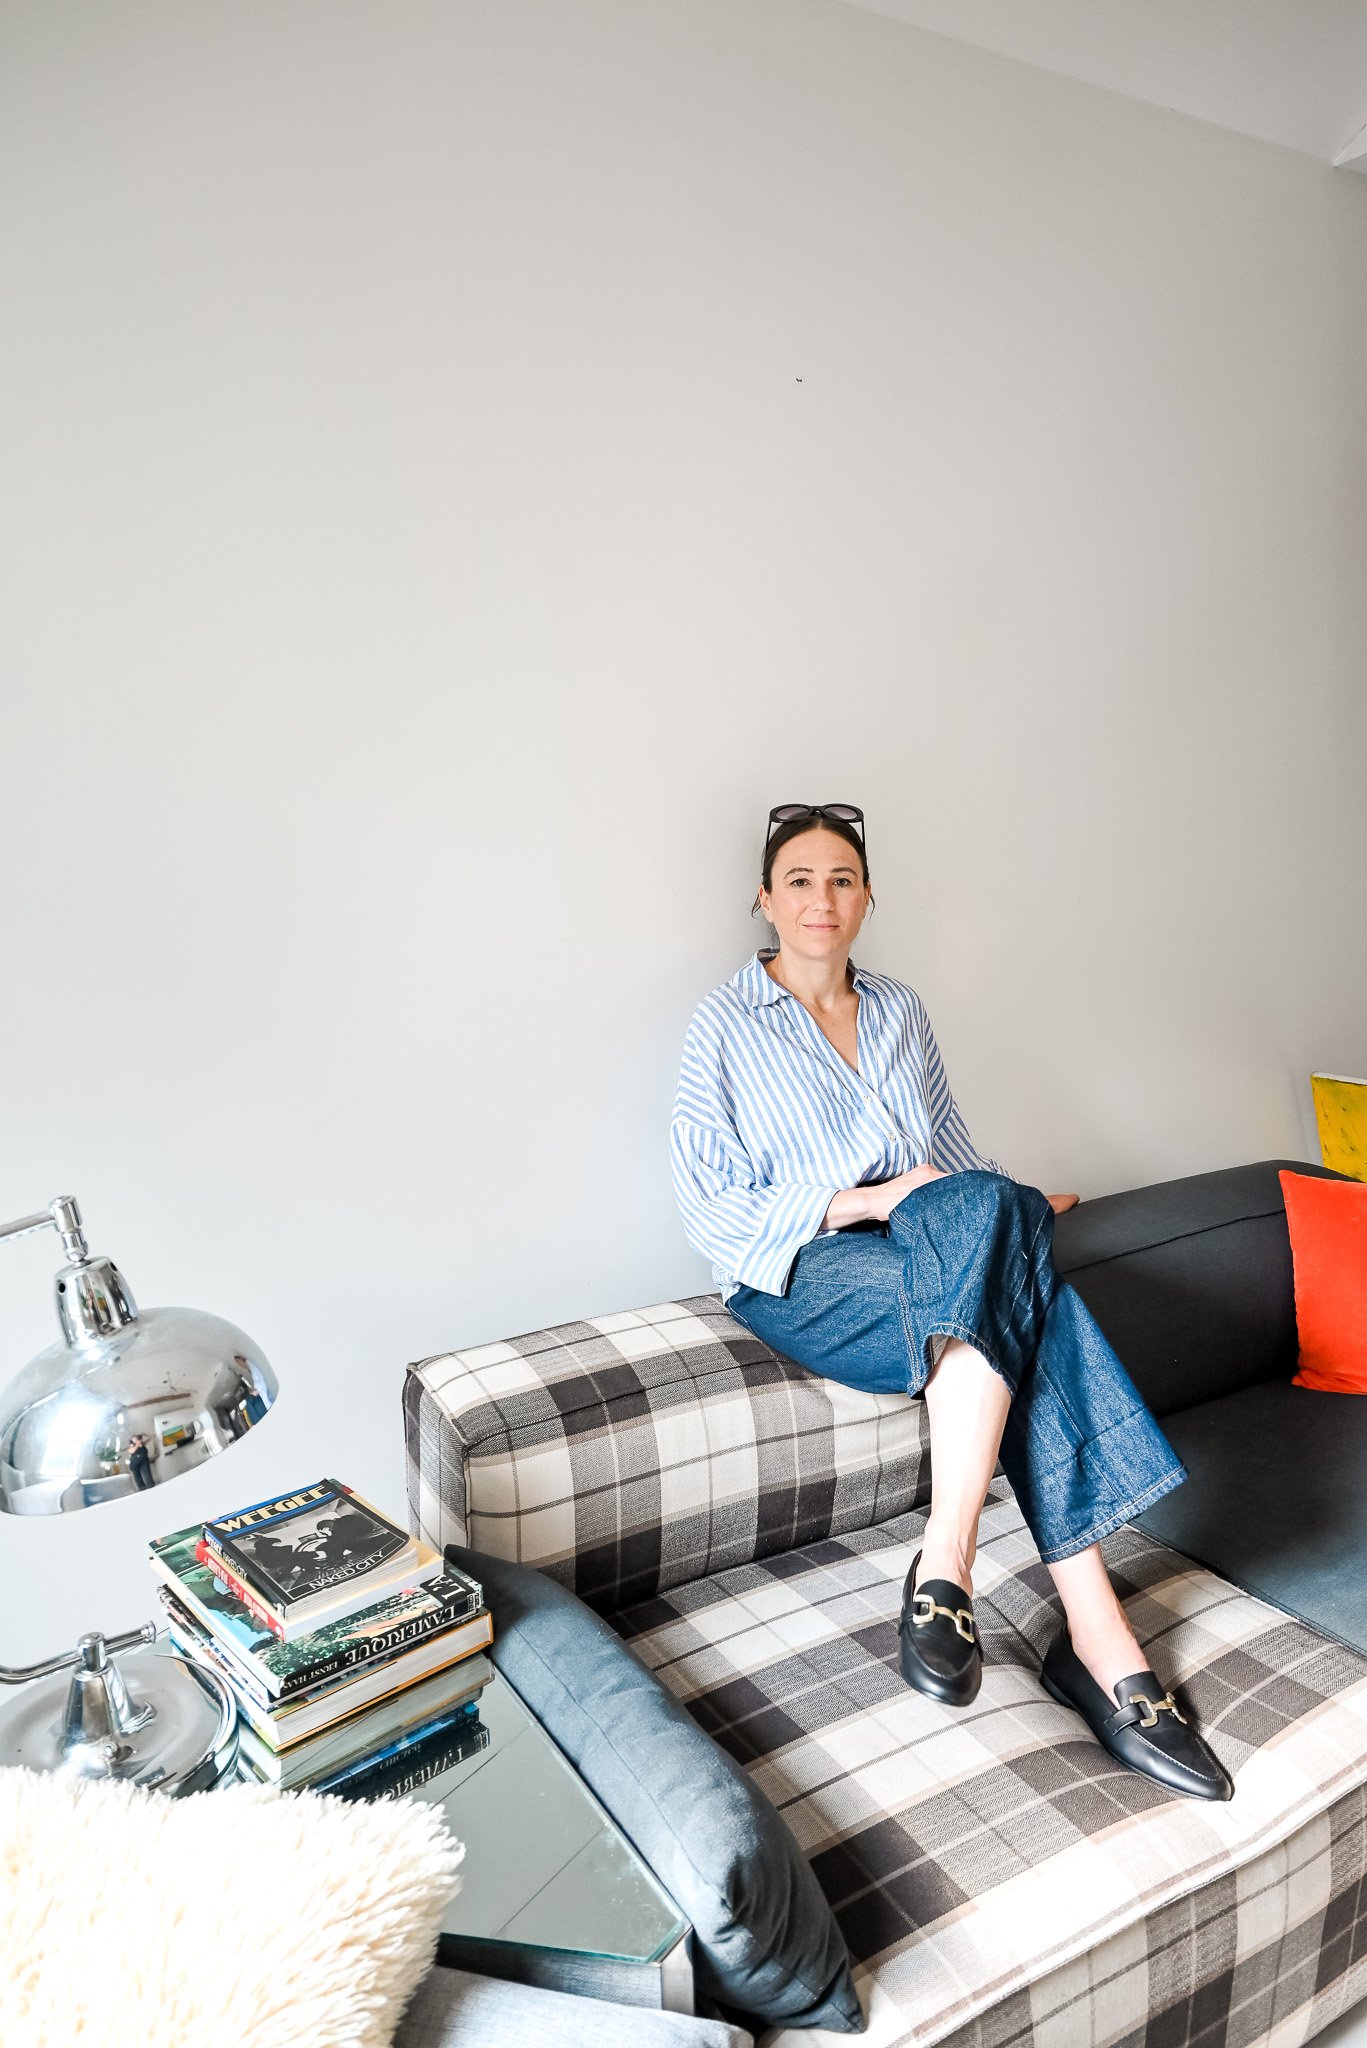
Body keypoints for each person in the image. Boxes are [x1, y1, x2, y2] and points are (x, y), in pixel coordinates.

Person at [670, 802, 1231, 1802]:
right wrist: (873, 1198)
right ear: (764, 899)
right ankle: (1085, 1636)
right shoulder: (719, 1027)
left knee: (1000, 1229)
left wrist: (1012, 1204)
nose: (819, 897)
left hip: (926, 1247)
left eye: (840, 877)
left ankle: (959, 1582)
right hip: (803, 1269)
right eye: (797, 878)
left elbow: (955, 1155)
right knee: (1024, 1291)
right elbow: (714, 1212)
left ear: (866, 899)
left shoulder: (899, 1010)